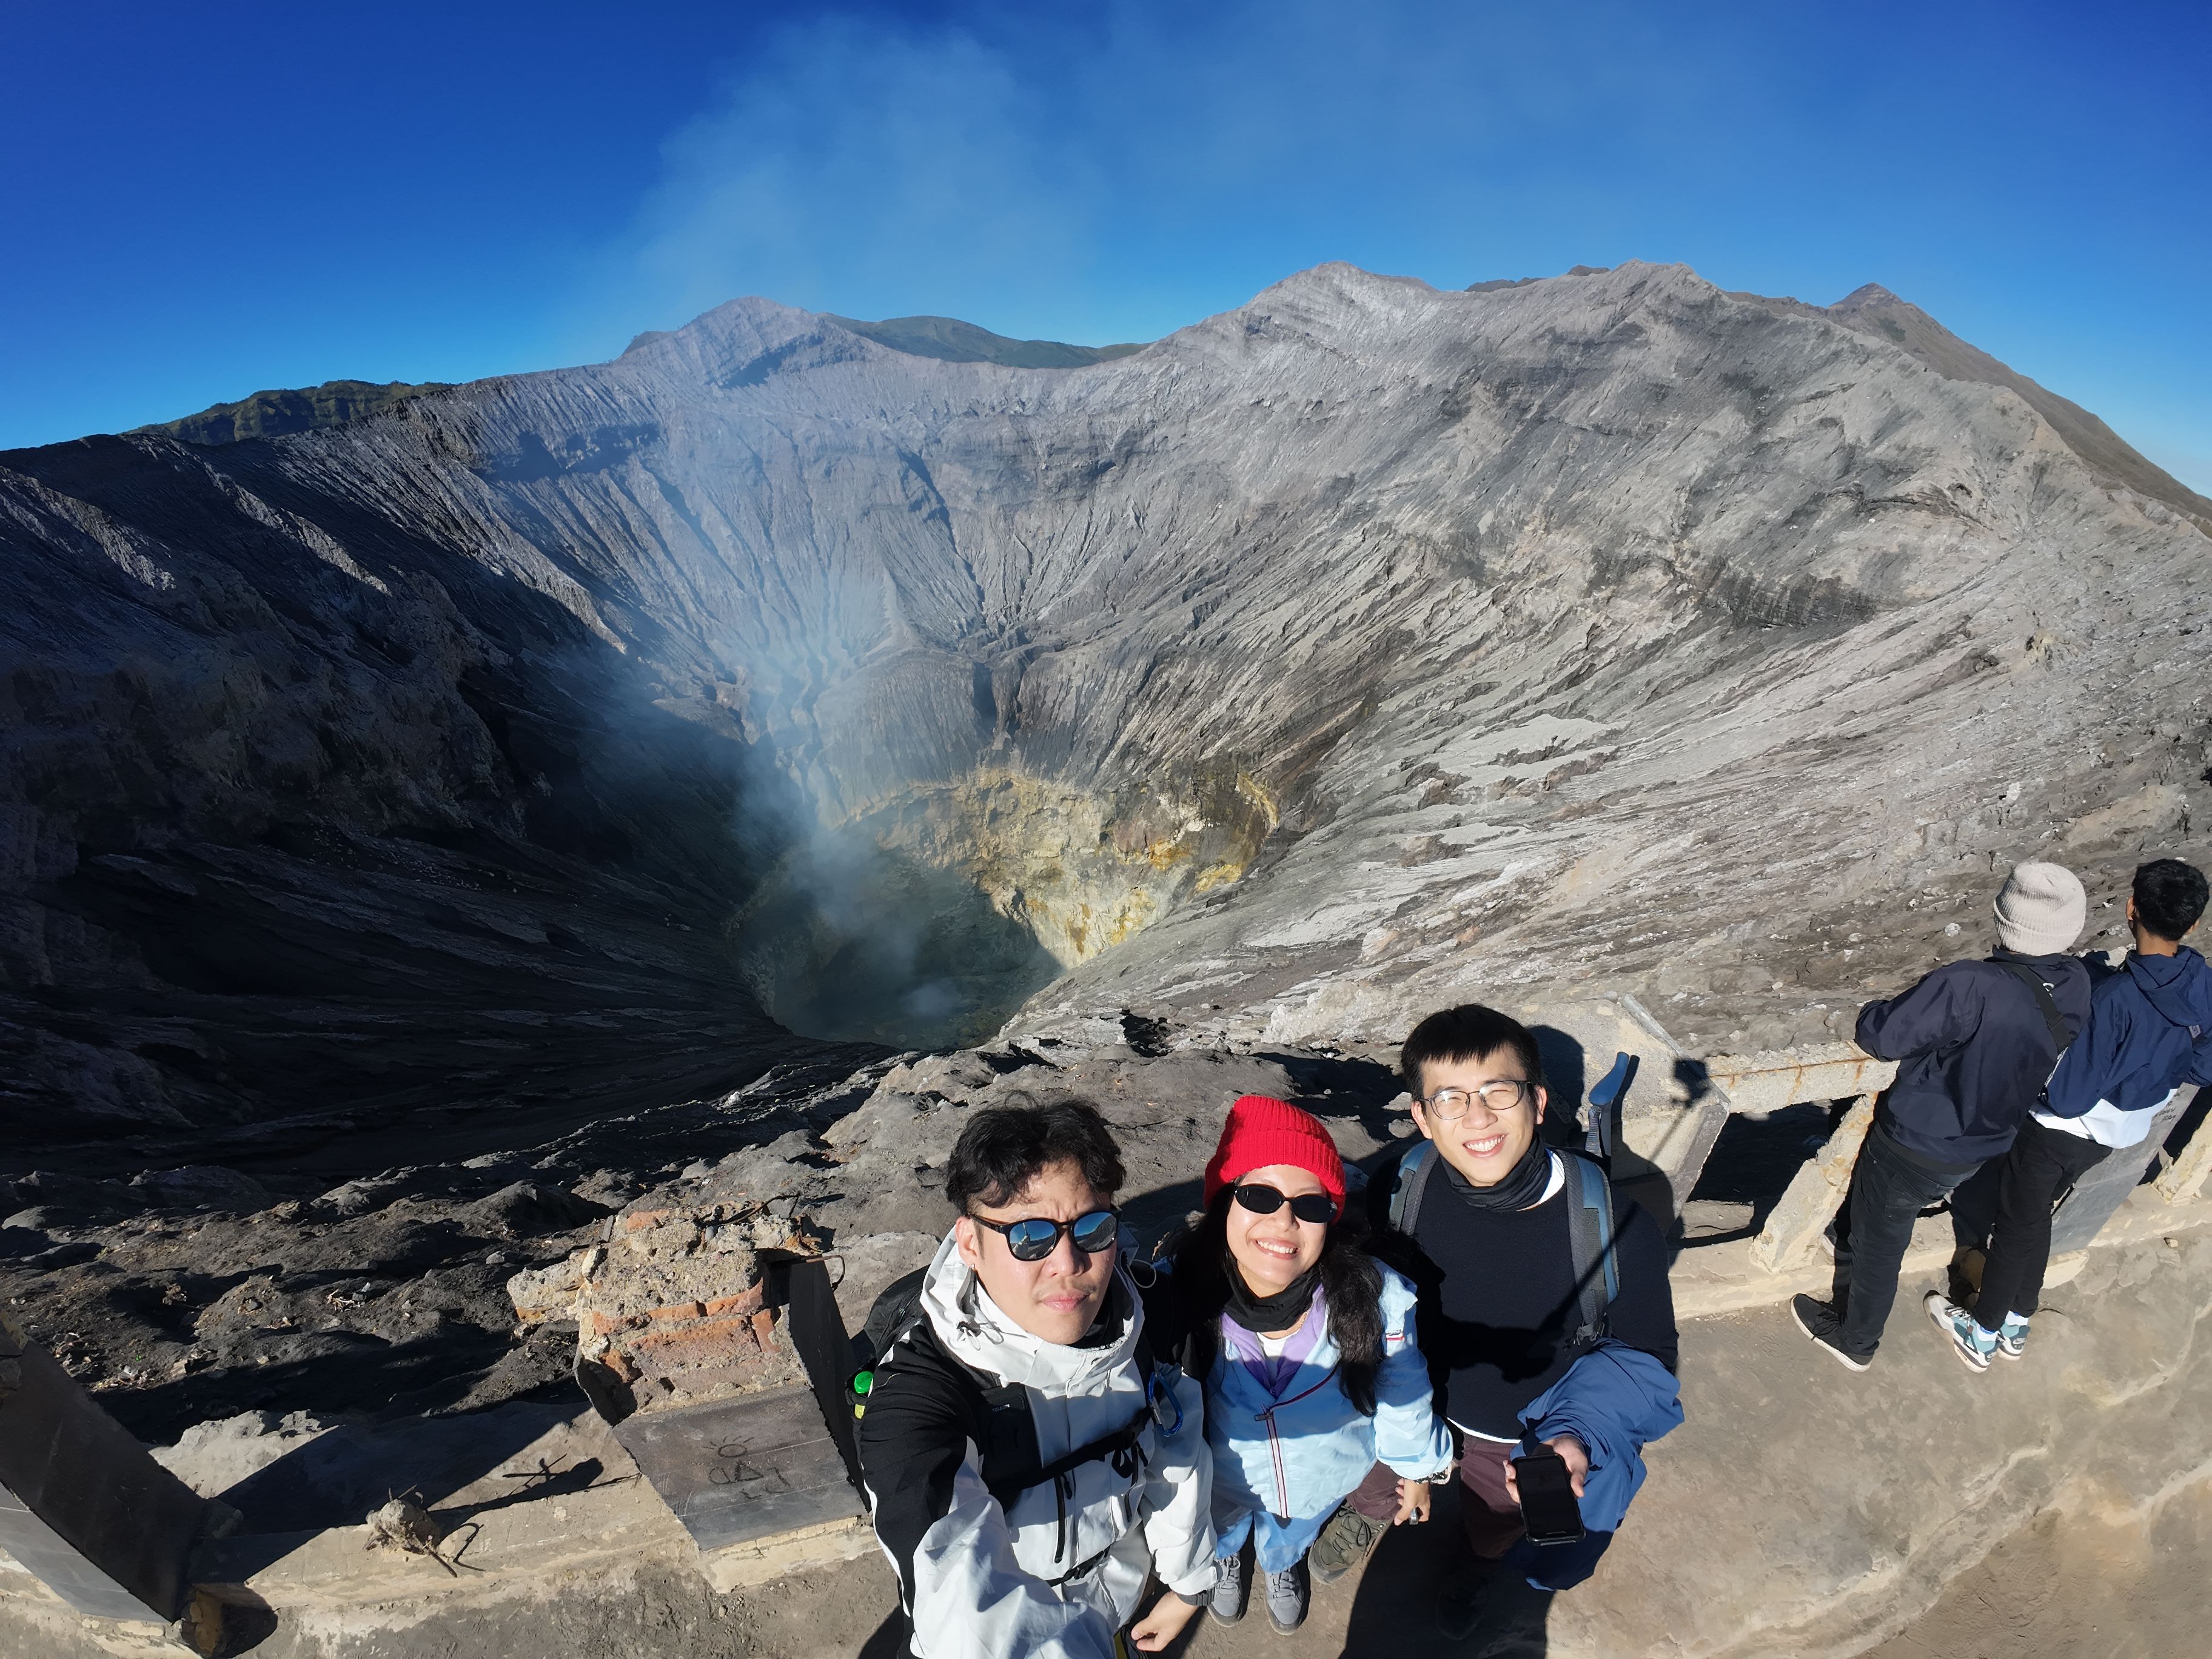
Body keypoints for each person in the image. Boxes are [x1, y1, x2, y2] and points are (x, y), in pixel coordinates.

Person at [853, 1096, 1216, 1656]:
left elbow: (1178, 1452)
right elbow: (965, 1610)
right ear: (971, 1243)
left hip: (1117, 1596)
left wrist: (1189, 1581)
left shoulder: (1148, 1316)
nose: (1068, 1263)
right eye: (1029, 1236)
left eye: (1092, 1228)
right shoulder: (924, 1391)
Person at [1373, 1004, 1682, 1638]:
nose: (1478, 1117)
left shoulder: (1616, 1224)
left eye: (1498, 1092)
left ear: (1538, 1102)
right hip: (1410, 1404)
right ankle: (1381, 1513)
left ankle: (1475, 1568)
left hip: (1521, 1438)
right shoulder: (1400, 1186)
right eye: (1450, 1099)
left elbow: (1648, 1359)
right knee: (1380, 1492)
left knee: (1496, 1521)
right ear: (1422, 1119)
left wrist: (1573, 1437)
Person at [1147, 1094, 1452, 1634]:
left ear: (1330, 1220)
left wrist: (1414, 1468)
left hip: (1322, 1480)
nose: (1283, 1219)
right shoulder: (1177, 1297)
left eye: (1310, 1206)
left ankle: (1282, 1563)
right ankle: (1222, 1560)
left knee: (1293, 1532)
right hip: (1219, 1482)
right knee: (1220, 1526)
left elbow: (1405, 1388)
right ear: (1224, 1204)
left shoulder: (1376, 1297)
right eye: (1260, 1195)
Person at [1792, 861, 2092, 1372]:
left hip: (1917, 1140)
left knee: (1881, 1240)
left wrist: (1869, 1010)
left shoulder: (1971, 984)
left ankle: (1856, 1341)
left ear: (2003, 918)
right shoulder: (2077, 983)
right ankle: (1849, 1257)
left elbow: (1884, 1036)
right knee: (1887, 1220)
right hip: (1987, 1142)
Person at [1928, 858, 2212, 1369]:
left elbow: (2068, 1095)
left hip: (2060, 1130)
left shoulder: (2115, 998)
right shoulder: (2201, 981)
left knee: (2015, 1223)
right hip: (2121, 1130)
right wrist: (2152, 1070)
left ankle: (1983, 1332)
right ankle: (2017, 1319)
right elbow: (2205, 1063)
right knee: (2034, 1217)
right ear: (2193, 924)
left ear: (2131, 910)